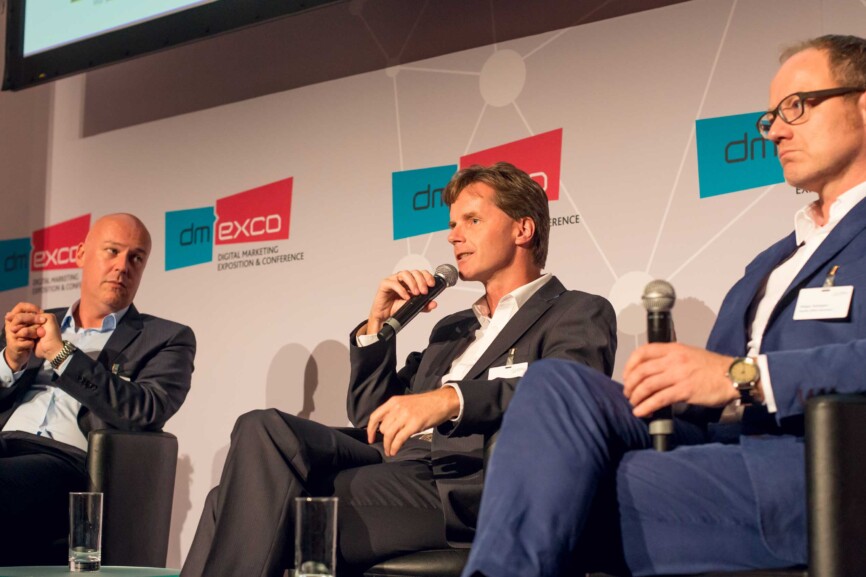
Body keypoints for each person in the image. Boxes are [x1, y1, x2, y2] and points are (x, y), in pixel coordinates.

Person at [461, 34, 866, 577]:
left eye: (797, 106)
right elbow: (708, 397)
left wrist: (743, 376)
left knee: (551, 494)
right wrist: (673, 383)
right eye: (771, 117)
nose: (776, 131)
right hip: (718, 449)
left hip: (817, 472)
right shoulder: (770, 263)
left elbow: (736, 376)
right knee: (556, 383)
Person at [181, 162, 617, 577]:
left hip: (458, 482)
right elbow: (371, 415)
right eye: (452, 224)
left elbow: (568, 395)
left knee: (244, 505)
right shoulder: (453, 327)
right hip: (391, 460)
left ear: (523, 229)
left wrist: (451, 399)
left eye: (472, 220)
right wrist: (377, 326)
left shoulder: (577, 311)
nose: (454, 236)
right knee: (260, 430)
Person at [0, 213, 196, 565]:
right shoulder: (36, 322)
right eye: (112, 251)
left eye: (136, 257)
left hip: (66, 462)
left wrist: (62, 355)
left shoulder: (166, 338)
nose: (122, 266)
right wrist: (10, 362)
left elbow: (146, 410)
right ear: (80, 254)